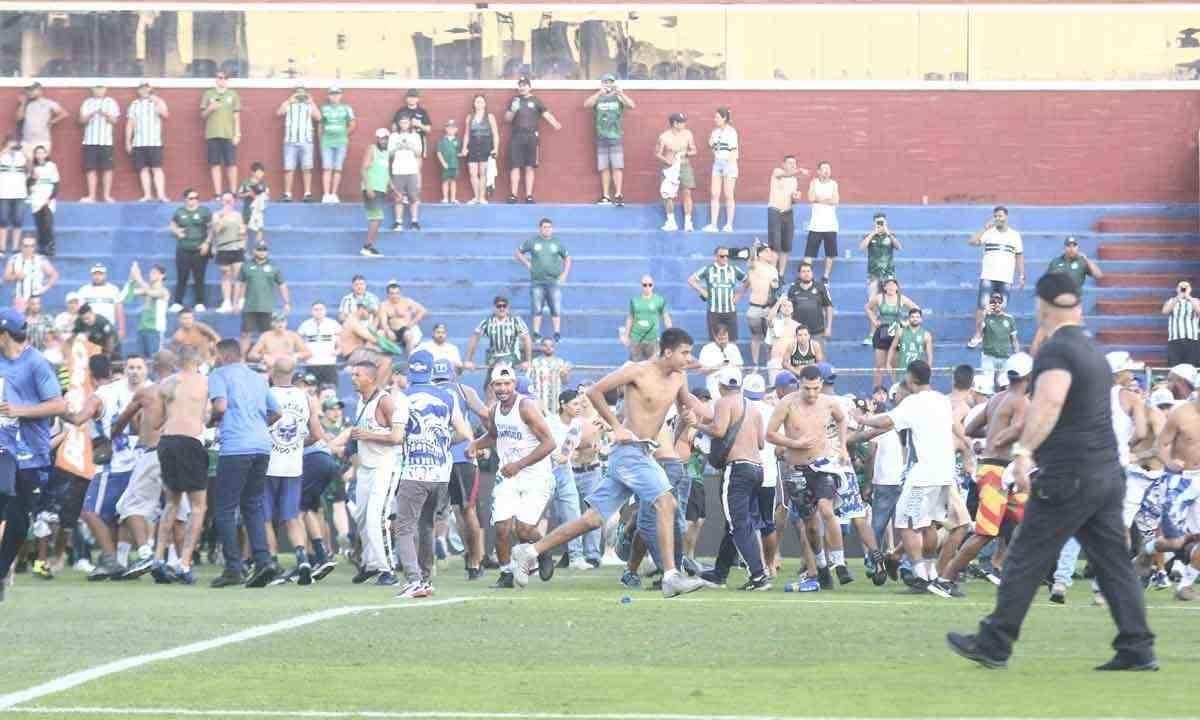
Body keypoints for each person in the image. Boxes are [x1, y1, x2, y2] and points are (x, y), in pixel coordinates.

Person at [948, 272, 1156, 671]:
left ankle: (995, 642)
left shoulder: (1057, 350)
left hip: (1068, 472)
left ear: (1041, 305)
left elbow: (1049, 403)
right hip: (1108, 471)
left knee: (1025, 555)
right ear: (1078, 305)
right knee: (1113, 562)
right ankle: (1138, 646)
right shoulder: (1093, 351)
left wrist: (1025, 451)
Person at [508, 329, 709, 597]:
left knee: (592, 520)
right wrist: (616, 426)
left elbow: (688, 404)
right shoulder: (637, 371)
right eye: (685, 352)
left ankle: (530, 551)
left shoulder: (680, 378)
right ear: (668, 352)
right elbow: (594, 391)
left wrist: (703, 418)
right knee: (666, 502)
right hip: (629, 452)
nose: (689, 358)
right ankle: (671, 576)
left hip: (641, 454)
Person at [929, 353, 1033, 599]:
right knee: (986, 532)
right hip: (999, 471)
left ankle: (1015, 573)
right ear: (1029, 375)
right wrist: (1006, 440)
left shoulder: (998, 398)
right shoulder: (1021, 402)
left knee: (1026, 522)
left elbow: (970, 429)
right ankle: (944, 580)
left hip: (992, 469)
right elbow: (1018, 431)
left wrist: (994, 436)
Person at [859, 360, 970, 588]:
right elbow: (955, 428)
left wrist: (862, 418)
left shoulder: (913, 402)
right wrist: (968, 447)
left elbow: (887, 421)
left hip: (923, 475)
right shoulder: (942, 400)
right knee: (928, 524)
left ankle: (920, 572)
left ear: (910, 378)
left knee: (905, 524)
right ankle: (928, 571)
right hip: (945, 473)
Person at [467, 364, 556, 588]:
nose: (503, 388)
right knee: (501, 527)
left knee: (523, 530)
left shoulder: (525, 406)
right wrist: (477, 444)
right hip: (507, 476)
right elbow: (495, 435)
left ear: (514, 385)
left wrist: (519, 464)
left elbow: (550, 443)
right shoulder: (496, 410)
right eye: (498, 384)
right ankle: (506, 574)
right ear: (492, 386)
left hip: (535, 475)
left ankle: (543, 549)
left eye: (507, 384)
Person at [393, 351, 473, 598]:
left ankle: (413, 580)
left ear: (410, 372)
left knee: (404, 526)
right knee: (426, 524)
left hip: (415, 471)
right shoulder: (447, 396)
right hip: (440, 473)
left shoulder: (402, 397)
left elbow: (397, 436)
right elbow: (465, 433)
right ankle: (426, 578)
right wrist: (440, 441)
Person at [0, 307, 66, 601]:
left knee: (19, 517)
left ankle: (2, 571)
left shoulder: (36, 363)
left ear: (4, 335)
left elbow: (58, 405)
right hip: (4, 446)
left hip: (31, 449)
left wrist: (20, 410)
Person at [768, 364, 851, 588]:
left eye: (815, 388)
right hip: (796, 469)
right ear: (800, 385)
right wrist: (793, 443)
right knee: (811, 525)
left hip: (822, 465)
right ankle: (822, 565)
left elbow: (843, 419)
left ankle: (840, 563)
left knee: (826, 509)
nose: (812, 393)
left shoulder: (829, 403)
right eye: (807, 388)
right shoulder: (787, 404)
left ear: (821, 385)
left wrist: (842, 446)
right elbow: (770, 434)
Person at [208, 339, 283, 588]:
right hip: (262, 446)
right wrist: (260, 427)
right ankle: (263, 561)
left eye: (216, 355)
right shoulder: (257, 378)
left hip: (235, 447)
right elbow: (277, 412)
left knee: (225, 508)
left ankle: (233, 568)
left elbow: (220, 405)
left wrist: (212, 421)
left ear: (224, 355)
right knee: (252, 505)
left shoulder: (219, 374)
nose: (214, 359)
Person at [694, 368, 768, 589]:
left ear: (720, 386)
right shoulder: (753, 408)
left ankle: (758, 575)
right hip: (757, 469)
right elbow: (761, 443)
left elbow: (718, 430)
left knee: (738, 524)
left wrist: (696, 424)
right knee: (735, 523)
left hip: (737, 468)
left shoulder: (724, 402)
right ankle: (720, 572)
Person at [110, 350, 177, 580]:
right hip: (182, 451)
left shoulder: (148, 392)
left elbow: (121, 420)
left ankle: (147, 553)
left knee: (129, 506)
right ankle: (178, 562)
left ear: (154, 367)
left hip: (154, 452)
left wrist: (115, 433)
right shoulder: (188, 391)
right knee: (179, 509)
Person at [263, 357, 324, 585]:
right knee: (292, 516)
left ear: (272, 371)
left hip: (269, 463)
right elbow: (317, 435)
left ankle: (272, 562)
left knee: (265, 517)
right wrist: (297, 445)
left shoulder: (267, 394)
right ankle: (302, 559)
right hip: (293, 463)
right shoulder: (305, 397)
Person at [346, 359, 405, 585]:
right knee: (361, 518)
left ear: (370, 378)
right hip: (366, 468)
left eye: (357, 375)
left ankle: (387, 569)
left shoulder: (385, 401)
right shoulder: (361, 401)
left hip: (384, 467)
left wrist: (367, 436)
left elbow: (398, 437)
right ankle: (370, 563)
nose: (353, 378)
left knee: (376, 519)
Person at [432, 359, 487, 579]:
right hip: (463, 457)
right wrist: (481, 443)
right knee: (468, 510)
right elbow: (485, 415)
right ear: (454, 375)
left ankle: (466, 558)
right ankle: (475, 561)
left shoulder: (427, 393)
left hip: (437, 459)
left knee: (449, 512)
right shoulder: (464, 390)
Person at [968, 206, 1025, 348]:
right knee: (982, 305)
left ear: (1006, 217)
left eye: (1000, 216)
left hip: (1006, 277)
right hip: (988, 275)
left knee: (1001, 306)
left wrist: (1021, 274)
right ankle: (978, 334)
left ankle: (997, 336)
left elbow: (1019, 255)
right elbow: (972, 241)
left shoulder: (1015, 235)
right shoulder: (989, 233)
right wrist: (984, 229)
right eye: (996, 216)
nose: (998, 218)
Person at [504, 77, 562, 204]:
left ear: (530, 87)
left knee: (530, 166)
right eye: (520, 85)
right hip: (517, 137)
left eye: (524, 85)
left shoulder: (536, 101)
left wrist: (555, 123)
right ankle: (513, 195)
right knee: (515, 166)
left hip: (532, 137)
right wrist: (513, 111)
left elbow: (546, 114)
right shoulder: (514, 101)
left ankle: (529, 195)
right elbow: (507, 119)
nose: (522, 87)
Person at [515, 218, 570, 342]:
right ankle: (536, 333)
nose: (547, 229)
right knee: (537, 308)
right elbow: (518, 253)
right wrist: (527, 263)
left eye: (549, 227)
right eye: (545, 227)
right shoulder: (533, 241)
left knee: (555, 307)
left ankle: (556, 332)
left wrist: (564, 274)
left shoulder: (557, 243)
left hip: (553, 281)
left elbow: (567, 258)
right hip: (537, 281)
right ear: (540, 228)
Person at [583, 74, 634, 205]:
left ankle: (618, 193)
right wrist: (599, 93)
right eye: (605, 82)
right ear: (602, 83)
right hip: (601, 137)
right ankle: (606, 196)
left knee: (617, 166)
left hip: (615, 136)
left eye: (610, 82)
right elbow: (586, 104)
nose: (608, 84)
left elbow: (632, 105)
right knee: (604, 167)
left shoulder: (618, 96)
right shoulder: (598, 97)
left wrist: (621, 94)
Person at [238, 242, 291, 352]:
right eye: (259, 249)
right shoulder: (246, 266)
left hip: (267, 306)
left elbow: (282, 285)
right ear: (254, 251)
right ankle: (242, 359)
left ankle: (265, 359)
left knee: (267, 335)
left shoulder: (274, 267)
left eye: (264, 250)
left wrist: (287, 302)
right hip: (249, 306)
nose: (262, 252)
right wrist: (238, 302)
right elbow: (241, 284)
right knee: (245, 334)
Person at [864, 277, 916, 386]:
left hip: (896, 333)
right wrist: (874, 321)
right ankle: (877, 391)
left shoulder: (901, 298)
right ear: (884, 287)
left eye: (893, 285)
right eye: (889, 285)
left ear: (897, 287)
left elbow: (916, 309)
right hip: (882, 332)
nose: (891, 287)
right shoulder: (879, 298)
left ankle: (896, 389)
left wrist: (906, 323)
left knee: (895, 365)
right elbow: (867, 308)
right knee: (879, 365)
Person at [689, 246, 748, 342]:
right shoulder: (708, 269)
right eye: (722, 256)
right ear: (715, 257)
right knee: (714, 341)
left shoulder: (734, 269)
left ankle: (730, 357)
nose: (725, 258)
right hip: (713, 311)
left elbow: (747, 281)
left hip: (730, 311)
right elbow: (691, 280)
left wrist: (740, 294)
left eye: (727, 256)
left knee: (732, 341)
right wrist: (702, 291)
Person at [125, 81, 169, 203]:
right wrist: (128, 141)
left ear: (150, 89)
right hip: (139, 142)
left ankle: (161, 195)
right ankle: (147, 195)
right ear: (138, 90)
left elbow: (165, 115)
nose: (144, 91)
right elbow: (130, 124)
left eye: (146, 88)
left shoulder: (158, 101)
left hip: (154, 141)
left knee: (157, 168)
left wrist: (156, 102)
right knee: (143, 169)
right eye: (141, 88)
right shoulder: (134, 104)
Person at [168, 189, 212, 313]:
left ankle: (200, 302)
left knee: (199, 276)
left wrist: (207, 243)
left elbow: (210, 228)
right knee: (182, 276)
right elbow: (172, 224)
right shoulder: (180, 211)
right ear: (185, 199)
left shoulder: (204, 211)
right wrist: (176, 231)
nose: (194, 200)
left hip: (199, 248)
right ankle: (178, 302)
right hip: (183, 248)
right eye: (191, 198)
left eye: (196, 197)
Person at [275, 84, 320, 203]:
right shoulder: (289, 104)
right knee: (289, 168)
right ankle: (287, 194)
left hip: (306, 140)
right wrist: (289, 101)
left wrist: (312, 102)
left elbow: (318, 117)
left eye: (302, 93)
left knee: (307, 168)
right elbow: (279, 112)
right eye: (298, 93)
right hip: (291, 140)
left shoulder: (309, 105)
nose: (300, 96)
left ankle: (307, 193)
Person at [464, 297, 532, 374]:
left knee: (504, 375)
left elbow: (526, 339)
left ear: (508, 307)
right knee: (490, 383)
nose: (502, 308)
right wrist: (468, 360)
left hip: (511, 356)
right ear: (494, 308)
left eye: (504, 306)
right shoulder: (487, 322)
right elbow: (474, 339)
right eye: (499, 306)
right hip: (493, 359)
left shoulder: (516, 321)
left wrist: (527, 361)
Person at [201, 71, 241, 197]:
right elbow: (202, 115)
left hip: (229, 134)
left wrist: (238, 133)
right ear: (216, 79)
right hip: (212, 134)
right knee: (215, 164)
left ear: (227, 80)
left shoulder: (233, 94)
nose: (222, 80)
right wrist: (210, 108)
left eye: (225, 78)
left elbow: (236, 116)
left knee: (231, 164)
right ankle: (218, 193)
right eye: (220, 78)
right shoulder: (208, 94)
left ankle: (233, 192)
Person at [77, 83, 119, 203]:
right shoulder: (87, 102)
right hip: (90, 140)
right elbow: (81, 120)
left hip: (106, 141)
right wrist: (91, 114)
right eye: (96, 88)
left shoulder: (111, 102)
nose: (99, 90)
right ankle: (92, 196)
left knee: (107, 169)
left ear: (106, 89)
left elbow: (115, 120)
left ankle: (106, 196)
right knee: (90, 169)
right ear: (92, 89)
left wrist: (104, 113)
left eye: (101, 88)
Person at [766, 156, 808, 275]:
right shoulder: (777, 172)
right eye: (790, 163)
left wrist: (795, 198)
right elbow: (785, 174)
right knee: (775, 244)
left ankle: (781, 274)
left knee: (786, 245)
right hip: (775, 211)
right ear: (783, 164)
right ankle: (773, 274)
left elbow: (792, 201)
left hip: (788, 213)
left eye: (795, 163)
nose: (793, 165)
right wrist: (800, 171)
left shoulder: (794, 180)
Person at [655, 113, 697, 232]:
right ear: (675, 123)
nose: (684, 124)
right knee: (668, 195)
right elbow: (657, 153)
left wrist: (686, 153)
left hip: (684, 165)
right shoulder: (664, 137)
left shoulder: (688, 134)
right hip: (669, 168)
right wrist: (666, 160)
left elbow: (694, 150)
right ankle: (671, 221)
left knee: (687, 192)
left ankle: (688, 222)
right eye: (681, 122)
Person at [211, 191, 247, 314]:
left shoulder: (238, 215)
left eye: (230, 200)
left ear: (233, 201)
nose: (228, 203)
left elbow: (242, 230)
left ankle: (239, 301)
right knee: (226, 275)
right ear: (221, 201)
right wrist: (223, 216)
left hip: (237, 248)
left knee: (239, 275)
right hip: (223, 248)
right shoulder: (216, 215)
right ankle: (227, 302)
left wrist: (243, 240)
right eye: (225, 200)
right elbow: (217, 230)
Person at [704, 108, 739, 233]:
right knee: (714, 194)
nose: (715, 119)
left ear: (724, 118)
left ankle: (729, 224)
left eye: (718, 117)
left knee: (728, 194)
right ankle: (713, 224)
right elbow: (714, 148)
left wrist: (727, 165)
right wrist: (712, 146)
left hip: (729, 164)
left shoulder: (732, 132)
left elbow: (733, 151)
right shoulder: (715, 132)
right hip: (717, 164)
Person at [318, 86, 356, 203]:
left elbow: (353, 124)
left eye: (337, 94)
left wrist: (344, 134)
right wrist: (320, 139)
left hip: (341, 142)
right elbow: (320, 125)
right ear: (328, 96)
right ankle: (326, 194)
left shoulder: (346, 108)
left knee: (338, 168)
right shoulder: (323, 108)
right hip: (327, 141)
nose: (334, 96)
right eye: (332, 94)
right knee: (327, 168)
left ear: (341, 95)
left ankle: (334, 194)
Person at [804, 161, 840, 282]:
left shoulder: (834, 184)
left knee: (830, 253)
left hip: (830, 225)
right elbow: (811, 198)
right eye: (824, 169)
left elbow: (835, 200)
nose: (826, 171)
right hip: (815, 226)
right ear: (818, 171)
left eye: (828, 169)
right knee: (809, 253)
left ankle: (825, 276)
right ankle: (806, 276)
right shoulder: (814, 183)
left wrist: (819, 199)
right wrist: (826, 199)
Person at [15, 82, 67, 163]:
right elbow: (18, 118)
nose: (29, 92)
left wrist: (52, 121)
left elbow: (64, 113)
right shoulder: (26, 104)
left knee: (40, 166)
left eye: (32, 90)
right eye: (28, 90)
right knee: (26, 165)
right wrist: (22, 103)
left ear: (40, 91)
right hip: (27, 141)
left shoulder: (48, 103)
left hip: (42, 140)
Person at [745, 244, 780, 367]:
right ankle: (755, 363)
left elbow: (775, 288)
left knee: (770, 338)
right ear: (759, 254)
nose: (769, 253)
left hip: (769, 308)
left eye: (770, 251)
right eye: (766, 251)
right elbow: (750, 261)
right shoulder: (754, 266)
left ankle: (770, 363)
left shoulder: (773, 269)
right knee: (756, 337)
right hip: (755, 306)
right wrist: (754, 247)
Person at [388, 115, 424, 231]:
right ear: (399, 123)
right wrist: (398, 147)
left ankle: (414, 221)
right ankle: (398, 222)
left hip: (412, 169)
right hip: (398, 170)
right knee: (398, 197)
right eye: (402, 122)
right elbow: (389, 153)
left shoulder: (415, 136)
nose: (404, 124)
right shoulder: (393, 136)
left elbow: (419, 152)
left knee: (414, 197)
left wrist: (409, 146)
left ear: (410, 123)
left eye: (406, 122)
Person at [461, 95, 499, 205]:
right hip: (472, 145)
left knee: (483, 173)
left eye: (481, 101)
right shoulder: (470, 117)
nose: (479, 103)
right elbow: (467, 134)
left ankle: (482, 197)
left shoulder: (490, 117)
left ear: (485, 104)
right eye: (477, 101)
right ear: (474, 104)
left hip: (485, 145)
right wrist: (464, 148)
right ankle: (476, 196)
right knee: (473, 173)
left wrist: (496, 148)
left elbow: (495, 134)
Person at [126, 262, 169, 357]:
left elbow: (151, 293)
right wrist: (132, 278)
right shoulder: (146, 289)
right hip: (142, 328)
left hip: (155, 330)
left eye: (155, 273)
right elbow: (128, 294)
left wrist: (138, 278)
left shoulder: (164, 291)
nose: (151, 275)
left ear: (162, 275)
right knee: (141, 359)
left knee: (154, 359)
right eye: (151, 272)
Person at [625, 275, 672, 361]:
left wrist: (671, 334)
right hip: (636, 339)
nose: (647, 287)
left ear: (653, 285)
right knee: (635, 367)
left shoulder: (659, 300)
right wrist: (626, 336)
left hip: (653, 339)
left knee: (654, 367)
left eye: (650, 285)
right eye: (645, 285)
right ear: (641, 285)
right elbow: (630, 318)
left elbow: (666, 317)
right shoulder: (634, 300)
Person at [3, 236, 57, 311]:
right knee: (20, 321)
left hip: (35, 298)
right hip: (20, 298)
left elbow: (54, 274)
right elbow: (5, 278)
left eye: (32, 246)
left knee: (34, 320)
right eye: (26, 246)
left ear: (34, 247)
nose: (29, 249)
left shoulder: (41, 260)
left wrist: (45, 288)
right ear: (21, 247)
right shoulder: (14, 259)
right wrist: (15, 276)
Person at [360, 129, 391, 257]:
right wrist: (368, 187)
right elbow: (363, 168)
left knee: (377, 219)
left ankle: (369, 246)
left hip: (381, 190)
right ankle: (367, 247)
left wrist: (394, 190)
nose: (384, 141)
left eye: (386, 138)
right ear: (377, 138)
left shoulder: (387, 153)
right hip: (372, 189)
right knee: (376, 217)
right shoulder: (372, 149)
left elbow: (386, 174)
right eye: (381, 138)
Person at [297, 301, 341, 386]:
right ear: (311, 311)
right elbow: (299, 344)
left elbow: (341, 345)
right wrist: (304, 354)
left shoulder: (333, 324)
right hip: (311, 364)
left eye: (321, 309)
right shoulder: (305, 325)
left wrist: (336, 352)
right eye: (316, 309)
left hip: (329, 363)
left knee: (330, 391)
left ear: (325, 311)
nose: (319, 312)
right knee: (311, 391)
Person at [377, 281, 427, 355]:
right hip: (391, 329)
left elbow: (423, 311)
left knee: (408, 335)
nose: (395, 296)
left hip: (405, 329)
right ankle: (384, 360)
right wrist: (388, 331)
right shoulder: (384, 305)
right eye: (392, 293)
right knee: (380, 334)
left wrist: (412, 323)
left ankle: (409, 359)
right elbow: (383, 322)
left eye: (397, 293)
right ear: (388, 294)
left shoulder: (407, 302)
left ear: (400, 293)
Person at [786, 262, 833, 339]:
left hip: (817, 331)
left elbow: (829, 307)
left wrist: (829, 327)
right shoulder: (793, 289)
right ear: (799, 274)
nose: (806, 274)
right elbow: (788, 310)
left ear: (812, 273)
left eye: (808, 271)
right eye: (803, 271)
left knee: (818, 351)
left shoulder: (821, 287)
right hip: (798, 332)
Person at [698, 323, 744, 400]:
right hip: (715, 386)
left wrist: (731, 367)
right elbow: (702, 370)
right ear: (715, 337)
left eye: (725, 338)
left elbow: (740, 367)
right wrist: (720, 366)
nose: (723, 341)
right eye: (720, 339)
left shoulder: (733, 348)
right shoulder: (707, 349)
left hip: (733, 385)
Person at [27, 145, 59, 257]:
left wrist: (50, 198)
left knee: (48, 222)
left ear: (46, 154)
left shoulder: (52, 166)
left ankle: (51, 246)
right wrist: (32, 178)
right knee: (39, 224)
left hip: (47, 199)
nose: (40, 155)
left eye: (42, 152)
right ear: (35, 155)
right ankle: (42, 246)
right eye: (38, 153)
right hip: (36, 199)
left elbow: (56, 184)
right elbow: (27, 186)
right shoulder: (32, 168)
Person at [980, 293, 1019, 381]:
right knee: (987, 383)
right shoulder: (986, 318)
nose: (997, 304)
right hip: (988, 355)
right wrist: (983, 314)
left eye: (999, 301)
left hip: (1004, 355)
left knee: (1005, 383)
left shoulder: (1009, 318)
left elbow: (1014, 340)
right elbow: (979, 332)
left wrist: (1017, 355)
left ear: (1003, 303)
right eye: (993, 302)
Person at [0, 134, 27, 255]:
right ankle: (2, 248)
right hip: (4, 193)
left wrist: (23, 150)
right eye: (10, 143)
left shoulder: (21, 156)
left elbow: (30, 167)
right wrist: (5, 150)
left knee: (18, 221)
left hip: (20, 192)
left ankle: (16, 248)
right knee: (3, 221)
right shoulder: (2, 154)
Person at [887, 308, 933, 378]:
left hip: (918, 371)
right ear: (908, 319)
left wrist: (928, 368)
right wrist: (888, 363)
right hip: (903, 370)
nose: (915, 319)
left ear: (921, 319)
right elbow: (892, 348)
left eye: (917, 317)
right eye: (912, 317)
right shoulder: (900, 332)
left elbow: (929, 355)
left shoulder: (926, 335)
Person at [1163, 279, 1200, 366]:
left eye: (1186, 287)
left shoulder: (1196, 301)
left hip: (1191, 339)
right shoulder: (1171, 300)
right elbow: (1165, 311)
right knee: (1175, 366)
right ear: (1177, 289)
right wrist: (1178, 297)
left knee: (1191, 367)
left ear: (1190, 289)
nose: (1183, 289)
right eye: (1181, 287)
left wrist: (1188, 297)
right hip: (1175, 339)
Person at [237, 161, 268, 246]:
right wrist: (248, 194)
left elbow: (266, 196)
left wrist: (258, 196)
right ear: (253, 172)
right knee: (244, 228)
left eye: (262, 172)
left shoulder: (263, 184)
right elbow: (238, 194)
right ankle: (242, 247)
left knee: (259, 229)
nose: (261, 174)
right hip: (247, 210)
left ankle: (259, 247)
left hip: (258, 210)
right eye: (259, 172)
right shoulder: (246, 183)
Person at [393, 88, 432, 155]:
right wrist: (403, 125)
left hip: (418, 141)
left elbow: (428, 129)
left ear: (418, 99)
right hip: (403, 141)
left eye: (414, 97)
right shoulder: (401, 111)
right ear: (406, 98)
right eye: (410, 96)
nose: (412, 99)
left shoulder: (422, 111)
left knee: (418, 159)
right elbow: (393, 127)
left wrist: (419, 125)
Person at [437, 120, 461, 204]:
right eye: (449, 128)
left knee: (453, 181)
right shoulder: (442, 141)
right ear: (445, 129)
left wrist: (464, 152)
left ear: (456, 130)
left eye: (453, 128)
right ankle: (445, 198)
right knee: (445, 181)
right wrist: (443, 162)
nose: (451, 130)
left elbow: (459, 152)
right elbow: (439, 152)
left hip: (454, 164)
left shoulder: (457, 141)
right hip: (445, 165)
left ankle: (453, 198)